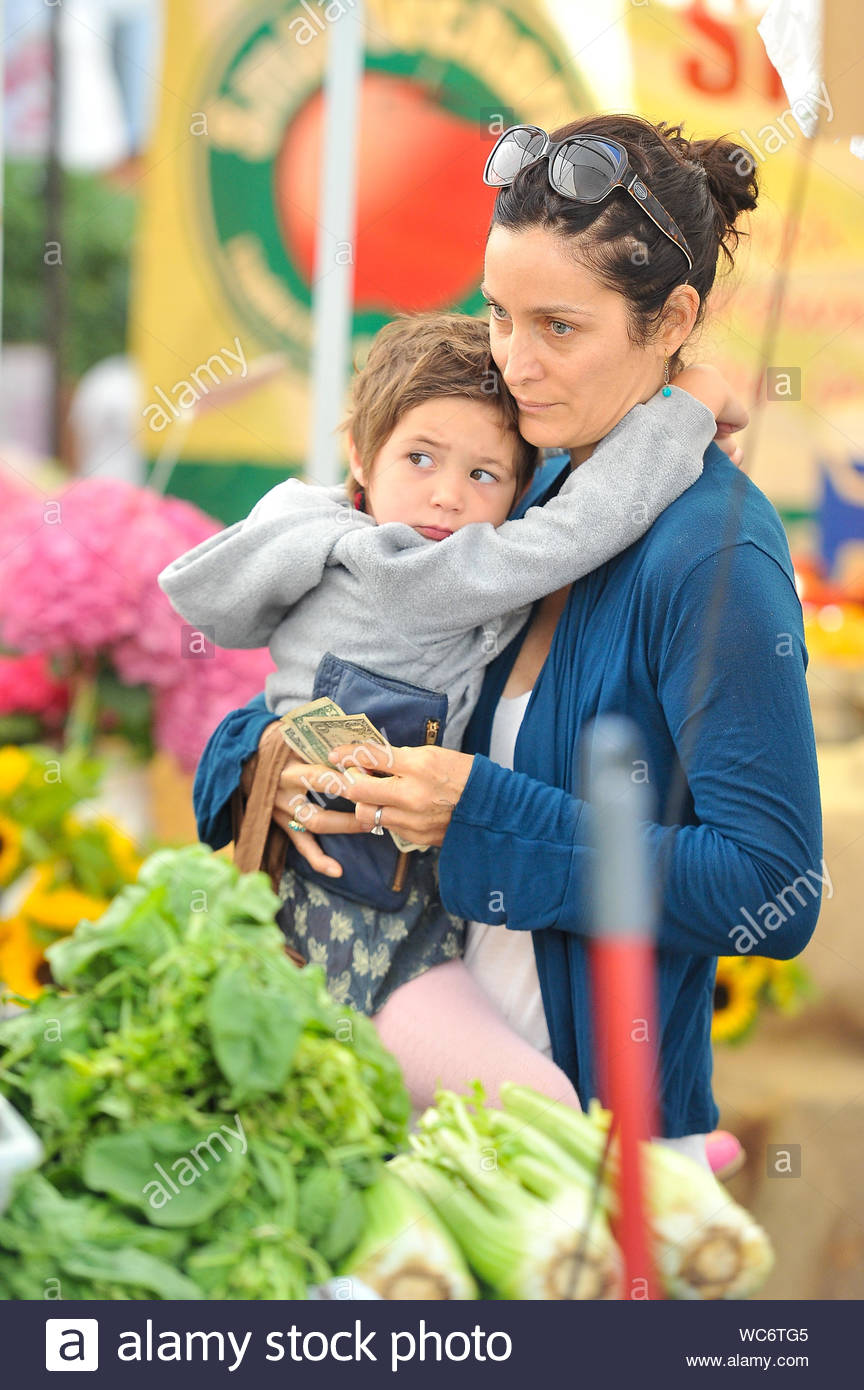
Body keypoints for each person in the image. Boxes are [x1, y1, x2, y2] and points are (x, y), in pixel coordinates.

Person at [190, 116, 821, 1174]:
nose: (514, 366)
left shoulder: (711, 557)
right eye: (498, 314)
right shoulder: (534, 487)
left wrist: (480, 810)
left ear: (671, 318)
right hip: (403, 1114)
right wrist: (266, 761)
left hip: (580, 1156)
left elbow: (771, 882)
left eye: (559, 328)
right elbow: (346, 658)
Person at [159, 310, 732, 1058]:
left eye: (483, 474)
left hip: (380, 899)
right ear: (362, 459)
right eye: (421, 460)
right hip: (350, 922)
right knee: (512, 1099)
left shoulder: (335, 536)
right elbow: (584, 526)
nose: (447, 498)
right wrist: (693, 403)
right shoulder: (407, 574)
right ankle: (646, 1161)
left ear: (521, 491)